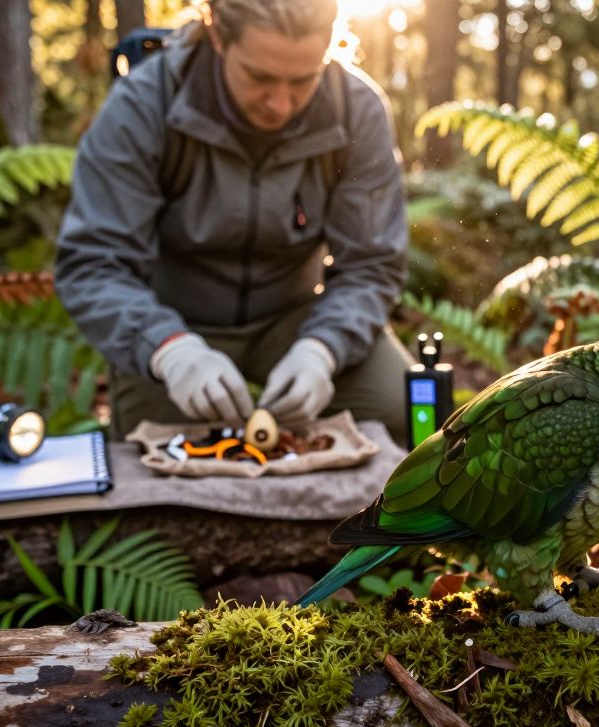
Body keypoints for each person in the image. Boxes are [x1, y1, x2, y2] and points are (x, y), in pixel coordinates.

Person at [55, 0, 413, 443]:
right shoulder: (142, 104)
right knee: (154, 449)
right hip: (172, 322)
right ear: (219, 36)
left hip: (297, 318)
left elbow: (372, 263)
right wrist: (169, 350)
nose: (280, 105)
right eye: (259, 77)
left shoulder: (357, 109)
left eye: (303, 80)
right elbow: (93, 263)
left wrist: (324, 348)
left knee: (399, 408)